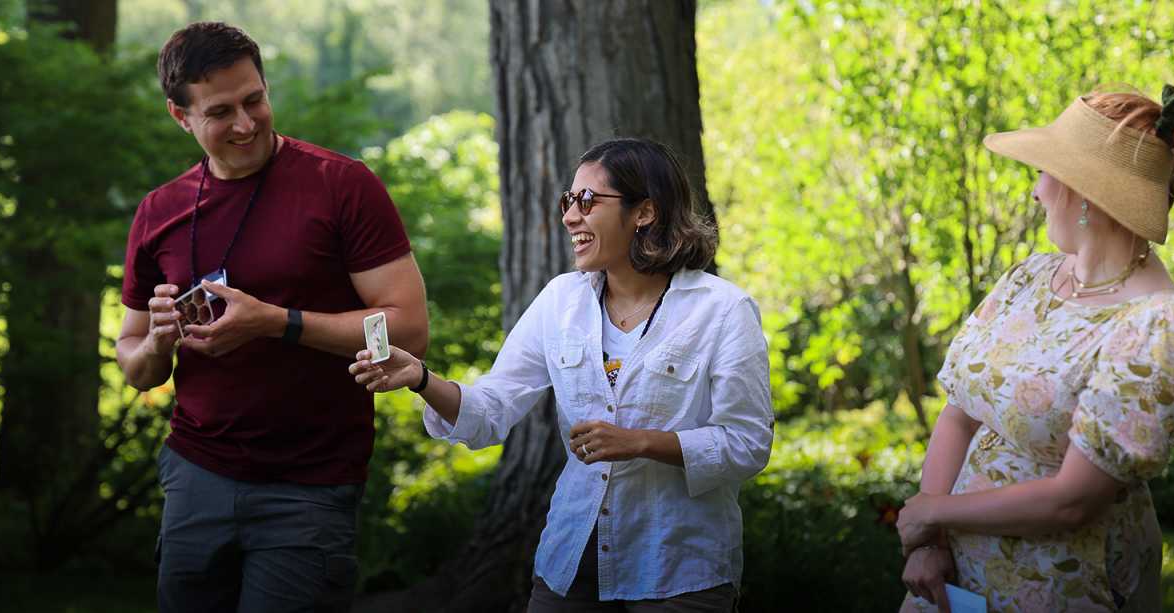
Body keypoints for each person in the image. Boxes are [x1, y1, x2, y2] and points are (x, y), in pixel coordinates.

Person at [350, 138, 773, 610]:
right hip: (569, 564)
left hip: (677, 569)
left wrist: (641, 441)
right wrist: (421, 379)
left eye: (588, 201)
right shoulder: (560, 301)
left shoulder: (723, 310)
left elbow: (747, 444)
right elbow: (491, 410)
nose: (570, 216)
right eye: (568, 201)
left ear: (645, 213)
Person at [114, 22, 429, 613]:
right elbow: (133, 365)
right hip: (195, 478)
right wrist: (159, 343)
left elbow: (408, 329)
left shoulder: (343, 187)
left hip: (310, 485)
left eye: (254, 99)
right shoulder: (160, 211)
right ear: (181, 116)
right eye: (220, 111)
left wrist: (277, 322)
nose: (245, 123)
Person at [896, 85, 1174, 612]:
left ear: (1084, 190)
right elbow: (958, 415)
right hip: (950, 585)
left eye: (1044, 173)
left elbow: (1073, 502)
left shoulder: (1155, 328)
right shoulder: (1029, 278)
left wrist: (935, 513)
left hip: (1060, 590)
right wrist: (930, 544)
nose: (1036, 191)